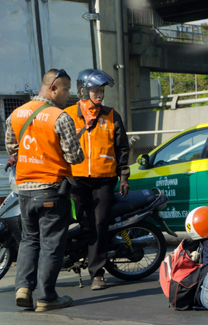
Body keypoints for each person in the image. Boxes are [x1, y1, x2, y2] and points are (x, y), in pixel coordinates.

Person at [6, 69, 84, 311]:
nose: (68, 95)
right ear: (53, 87)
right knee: (51, 243)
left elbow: (12, 148)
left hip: (24, 191)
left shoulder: (16, 114)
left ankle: (23, 289)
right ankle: (46, 297)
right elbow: (75, 156)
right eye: (66, 89)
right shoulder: (60, 117)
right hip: (51, 189)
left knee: (29, 240)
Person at [63, 69, 130, 290]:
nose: (100, 94)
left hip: (104, 179)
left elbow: (122, 148)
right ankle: (82, 255)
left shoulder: (112, 115)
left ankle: (97, 273)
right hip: (76, 179)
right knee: (81, 219)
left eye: (101, 90)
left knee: (100, 224)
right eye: (95, 90)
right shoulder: (68, 115)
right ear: (83, 91)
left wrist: (123, 177)